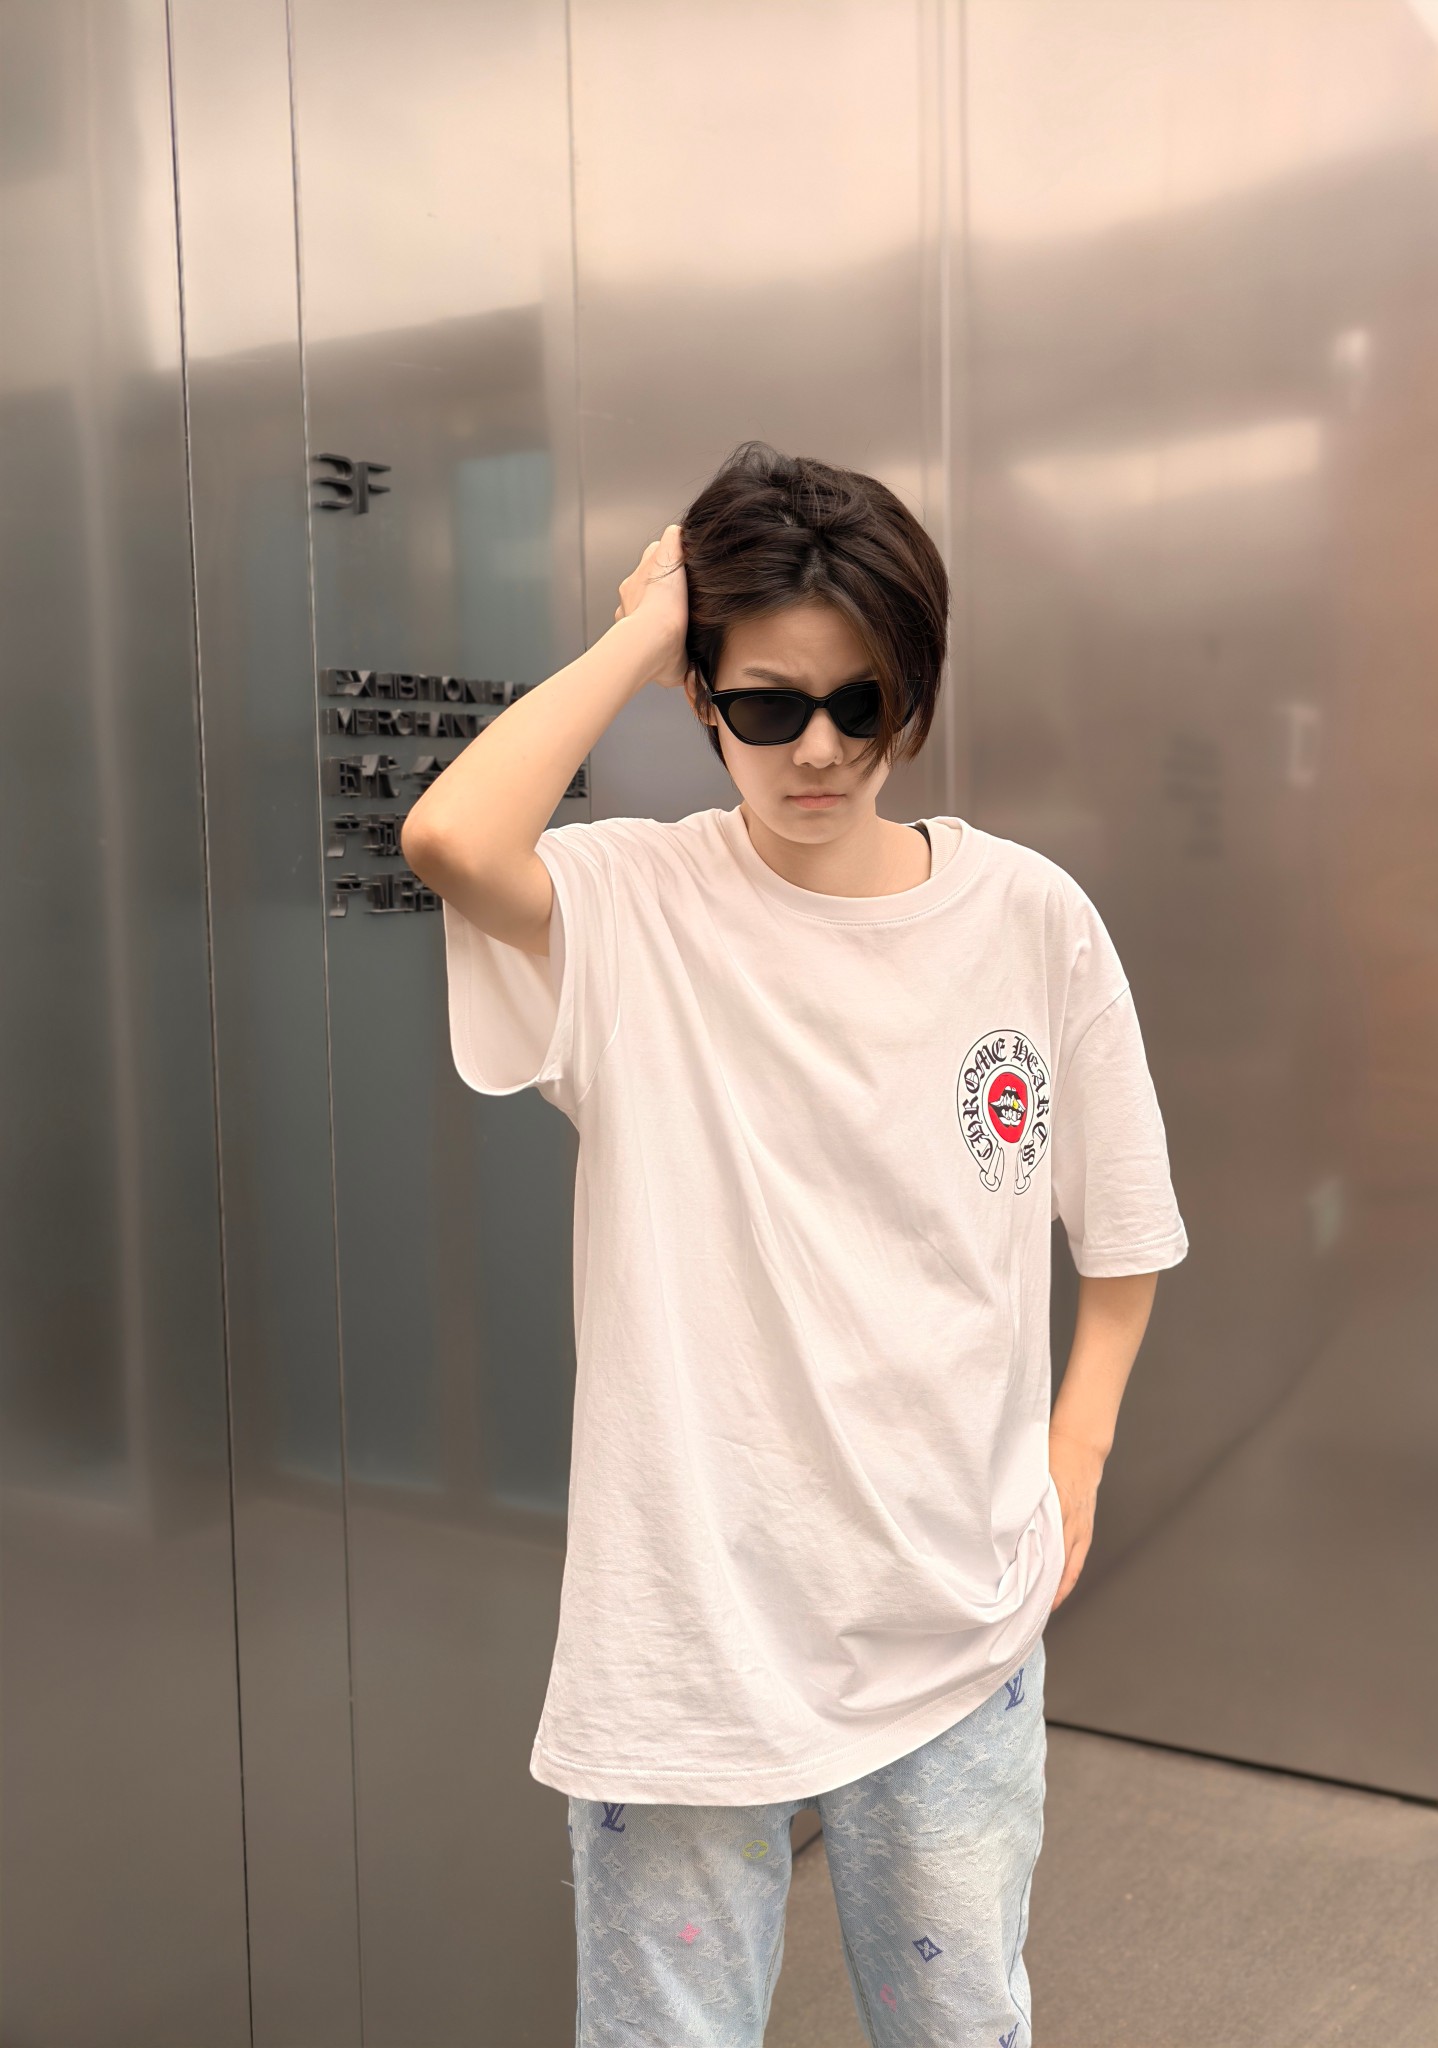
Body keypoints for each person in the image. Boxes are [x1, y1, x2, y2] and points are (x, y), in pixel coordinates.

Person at [401, 442, 1188, 2047]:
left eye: (861, 703)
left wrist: (1078, 1453)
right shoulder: (635, 905)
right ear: (703, 699)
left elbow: (1123, 1229)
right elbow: (453, 841)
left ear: (914, 702)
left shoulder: (1028, 917)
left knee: (960, 2027)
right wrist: (646, 623)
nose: (819, 748)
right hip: (687, 1630)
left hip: (956, 1611)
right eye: (767, 705)